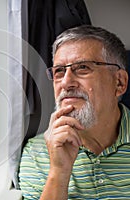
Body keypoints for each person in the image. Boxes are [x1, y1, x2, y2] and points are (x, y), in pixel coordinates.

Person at [19, 25, 130, 199]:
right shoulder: (37, 152)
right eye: (59, 71)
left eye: (83, 68)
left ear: (119, 83)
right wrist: (58, 171)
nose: (66, 82)